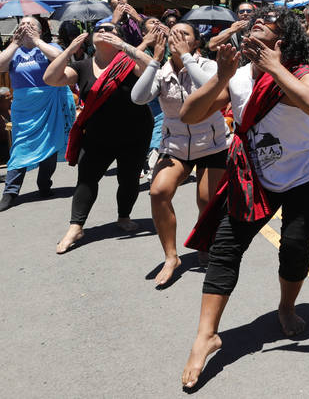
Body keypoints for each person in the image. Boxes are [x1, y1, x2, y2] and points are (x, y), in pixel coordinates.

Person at [177, 9, 309, 389]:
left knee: (294, 247)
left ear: (285, 37)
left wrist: (277, 69)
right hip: (254, 176)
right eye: (255, 20)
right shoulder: (238, 77)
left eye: (270, 20)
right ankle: (206, 336)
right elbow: (190, 114)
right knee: (226, 248)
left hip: (306, 175)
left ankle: (286, 306)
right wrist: (223, 77)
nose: (259, 20)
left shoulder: (297, 69)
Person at [131, 22, 229, 287]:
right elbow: (138, 98)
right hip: (174, 146)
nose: (176, 36)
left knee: (207, 199)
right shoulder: (162, 71)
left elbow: (212, 89)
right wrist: (155, 60)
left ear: (196, 43)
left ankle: (206, 242)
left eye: (184, 34)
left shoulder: (207, 65)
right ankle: (171, 257)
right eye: (173, 33)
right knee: (158, 192)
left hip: (212, 145)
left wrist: (186, 57)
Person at [43, 19, 154, 253]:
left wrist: (125, 46)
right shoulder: (82, 66)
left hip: (135, 133)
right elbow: (51, 79)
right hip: (96, 135)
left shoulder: (129, 62)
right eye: (98, 30)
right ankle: (76, 226)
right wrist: (69, 52)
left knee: (128, 178)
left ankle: (124, 216)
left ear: (120, 36)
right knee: (86, 179)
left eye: (109, 29)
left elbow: (152, 67)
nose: (103, 32)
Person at [0, 16, 75, 211]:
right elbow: (0, 66)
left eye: (30, 25)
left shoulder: (48, 46)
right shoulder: (13, 52)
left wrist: (37, 42)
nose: (26, 27)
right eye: (22, 24)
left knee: (50, 144)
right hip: (24, 106)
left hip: (48, 102)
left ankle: (44, 183)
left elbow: (61, 59)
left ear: (39, 30)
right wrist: (15, 44)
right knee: (19, 148)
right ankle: (10, 192)